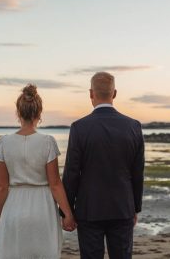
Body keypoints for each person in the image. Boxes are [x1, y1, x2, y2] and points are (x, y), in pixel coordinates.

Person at [61, 72, 145, 259]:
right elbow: (138, 173)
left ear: (91, 94)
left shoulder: (79, 127)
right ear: (114, 93)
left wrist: (67, 211)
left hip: (89, 209)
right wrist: (135, 207)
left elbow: (72, 173)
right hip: (122, 207)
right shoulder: (133, 126)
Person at [0, 84, 76, 259]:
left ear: (18, 112)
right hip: (42, 208)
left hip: (14, 207)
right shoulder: (47, 142)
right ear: (39, 113)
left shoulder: (4, 142)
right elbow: (55, 184)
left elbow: (1, 186)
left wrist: (2, 215)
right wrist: (68, 214)